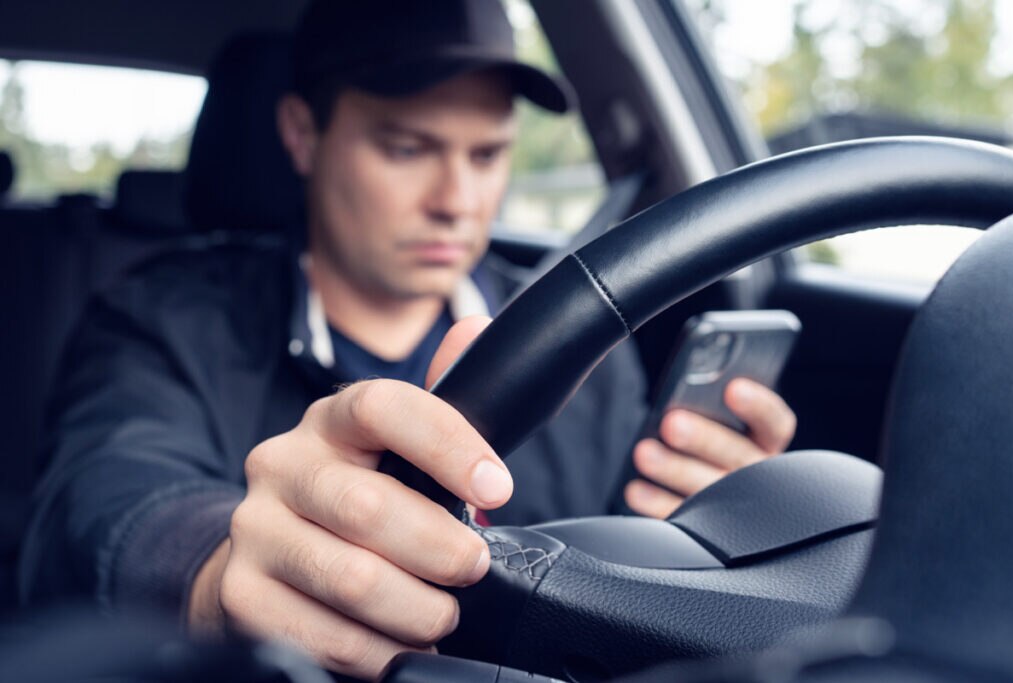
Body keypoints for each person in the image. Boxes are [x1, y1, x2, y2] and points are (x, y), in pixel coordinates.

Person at [19, 0, 796, 679]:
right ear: (302, 134)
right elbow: (104, 495)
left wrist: (709, 537)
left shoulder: (578, 340)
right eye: (407, 148)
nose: (457, 200)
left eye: (486, 154)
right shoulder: (161, 315)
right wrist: (218, 569)